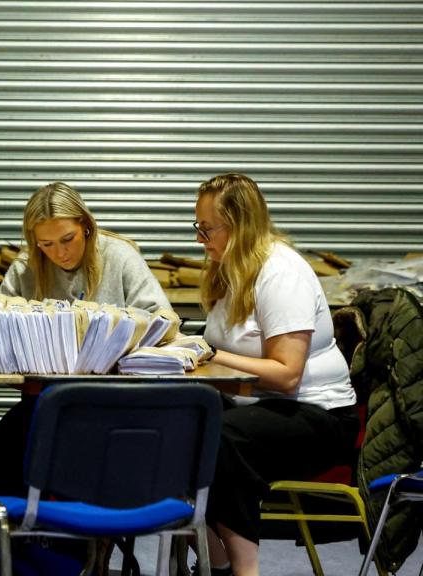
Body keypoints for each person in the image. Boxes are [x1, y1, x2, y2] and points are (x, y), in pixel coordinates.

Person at [194, 173, 357, 576]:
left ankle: (244, 569)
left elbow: (286, 375)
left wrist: (213, 355)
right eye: (196, 226)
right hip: (258, 404)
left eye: (207, 227)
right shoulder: (227, 269)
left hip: (318, 416)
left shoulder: (281, 272)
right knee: (181, 419)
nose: (200, 237)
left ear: (238, 225)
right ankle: (215, 558)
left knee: (224, 436)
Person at [0, 181, 172, 496]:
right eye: (47, 244)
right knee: (0, 453)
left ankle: (67, 539)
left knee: (71, 456)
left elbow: (162, 323)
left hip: (115, 400)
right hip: (46, 399)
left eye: (67, 239)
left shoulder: (119, 256)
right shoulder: (25, 268)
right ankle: (11, 539)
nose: (60, 253)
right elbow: (0, 335)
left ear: (85, 225)